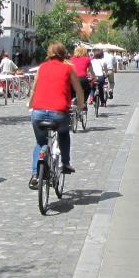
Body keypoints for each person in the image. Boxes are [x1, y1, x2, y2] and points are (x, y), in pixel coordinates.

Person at [28, 43, 85, 188]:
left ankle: (35, 175)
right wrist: (81, 105)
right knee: (64, 134)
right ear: (64, 54)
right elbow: (78, 90)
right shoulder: (68, 68)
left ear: (49, 54)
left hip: (38, 112)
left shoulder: (42, 67)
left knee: (41, 143)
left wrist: (30, 105)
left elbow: (33, 90)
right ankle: (65, 163)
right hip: (59, 113)